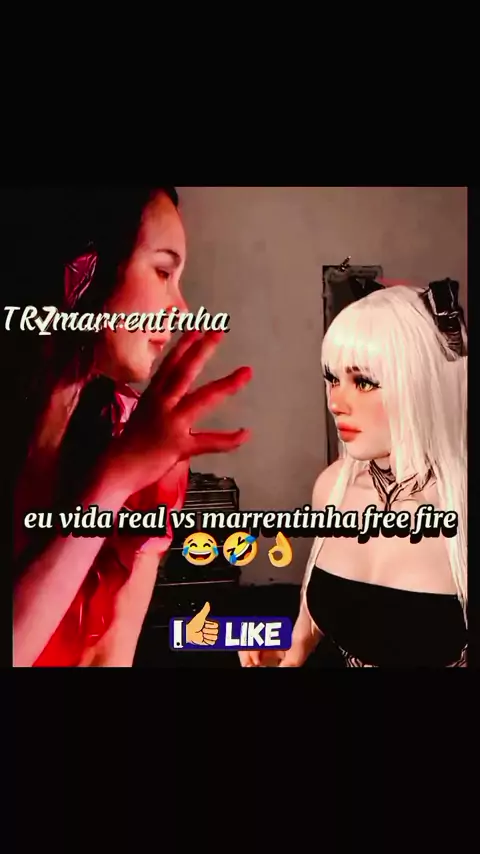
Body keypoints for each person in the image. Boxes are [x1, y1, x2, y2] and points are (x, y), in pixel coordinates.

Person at [11, 187, 252, 667]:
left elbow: (109, 657)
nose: (181, 308)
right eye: (163, 271)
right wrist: (113, 481)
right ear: (84, 269)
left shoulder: (140, 438)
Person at [240, 277, 467, 668]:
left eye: (363, 381)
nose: (336, 402)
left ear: (425, 383)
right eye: (333, 379)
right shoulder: (333, 487)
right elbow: (319, 604)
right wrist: (292, 650)